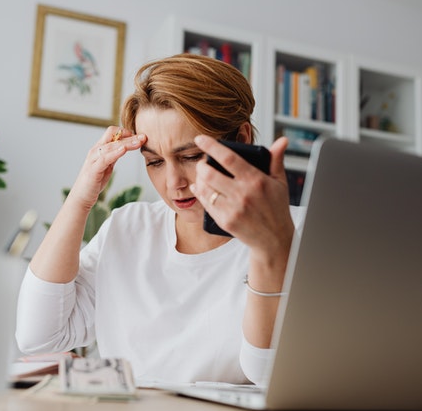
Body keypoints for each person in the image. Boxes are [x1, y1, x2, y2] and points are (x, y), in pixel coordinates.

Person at [16, 53, 304, 385]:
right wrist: (82, 198)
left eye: (191, 156)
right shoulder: (128, 227)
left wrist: (271, 249)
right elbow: (39, 337)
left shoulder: (300, 233)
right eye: (154, 162)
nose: (173, 183)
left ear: (240, 140)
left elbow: (269, 376)